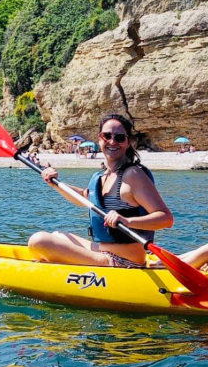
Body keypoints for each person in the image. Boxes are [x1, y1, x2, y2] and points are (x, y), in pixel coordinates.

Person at [27, 114, 174, 268]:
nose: (112, 142)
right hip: (103, 251)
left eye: (119, 138)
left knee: (39, 241)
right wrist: (55, 184)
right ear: (99, 138)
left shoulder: (133, 175)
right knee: (58, 235)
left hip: (125, 260)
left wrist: (126, 221)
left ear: (128, 142)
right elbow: (85, 197)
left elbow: (166, 218)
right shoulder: (101, 176)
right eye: (107, 136)